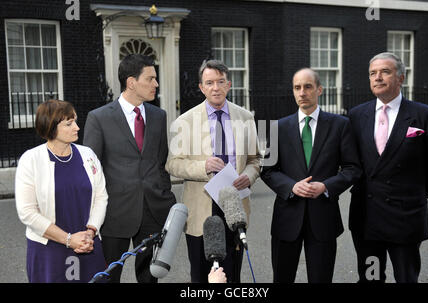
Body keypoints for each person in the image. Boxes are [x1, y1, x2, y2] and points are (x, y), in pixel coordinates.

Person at [348, 52, 428, 283]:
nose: (378, 77)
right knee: (371, 278)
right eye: (373, 73)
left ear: (401, 77)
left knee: (406, 278)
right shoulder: (356, 115)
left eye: (385, 71)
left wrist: (414, 193)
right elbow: (351, 163)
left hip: (406, 216)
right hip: (367, 216)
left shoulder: (426, 116)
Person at [261, 68, 361, 283]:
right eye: (297, 87)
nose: (302, 92)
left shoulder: (340, 125)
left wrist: (326, 187)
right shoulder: (277, 127)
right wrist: (291, 187)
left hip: (323, 218)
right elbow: (267, 170)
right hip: (286, 219)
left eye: (307, 87)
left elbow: (353, 168)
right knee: (282, 278)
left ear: (320, 90)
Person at [166, 59, 261, 283]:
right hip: (201, 210)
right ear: (201, 87)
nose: (215, 88)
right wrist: (203, 167)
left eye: (220, 82)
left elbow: (255, 159)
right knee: (200, 277)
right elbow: (173, 164)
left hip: (234, 206)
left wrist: (248, 176)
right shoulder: (184, 121)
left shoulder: (245, 118)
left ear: (229, 85)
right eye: (209, 83)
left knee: (231, 276)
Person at [83, 54, 176, 283]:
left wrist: (165, 197)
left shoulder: (159, 115)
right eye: (150, 78)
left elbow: (160, 163)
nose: (156, 84)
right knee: (109, 277)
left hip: (153, 212)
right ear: (131, 82)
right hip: (115, 214)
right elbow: (91, 172)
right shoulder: (99, 118)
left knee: (149, 278)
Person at [15, 99, 108, 283]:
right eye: (69, 123)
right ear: (50, 127)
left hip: (87, 245)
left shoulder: (88, 154)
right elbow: (27, 212)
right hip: (48, 249)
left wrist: (90, 232)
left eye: (75, 121)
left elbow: (101, 196)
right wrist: (68, 239)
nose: (77, 127)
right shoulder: (31, 160)